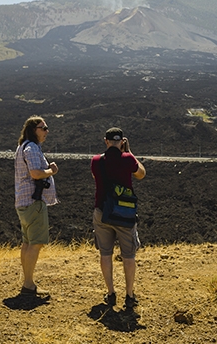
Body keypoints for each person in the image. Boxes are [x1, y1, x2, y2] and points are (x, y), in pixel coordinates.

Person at [91, 127, 146, 309]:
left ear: (105, 141)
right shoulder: (128, 159)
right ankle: (129, 295)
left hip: (102, 212)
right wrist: (129, 152)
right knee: (128, 256)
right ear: (122, 141)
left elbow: (96, 177)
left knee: (105, 254)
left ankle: (111, 293)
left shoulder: (96, 161)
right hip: (124, 213)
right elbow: (141, 174)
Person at [14, 115, 58, 296]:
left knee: (27, 242)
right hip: (33, 202)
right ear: (33, 130)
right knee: (36, 243)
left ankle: (28, 283)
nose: (47, 131)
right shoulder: (31, 148)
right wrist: (51, 171)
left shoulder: (23, 147)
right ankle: (29, 285)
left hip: (23, 202)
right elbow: (35, 173)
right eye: (43, 128)